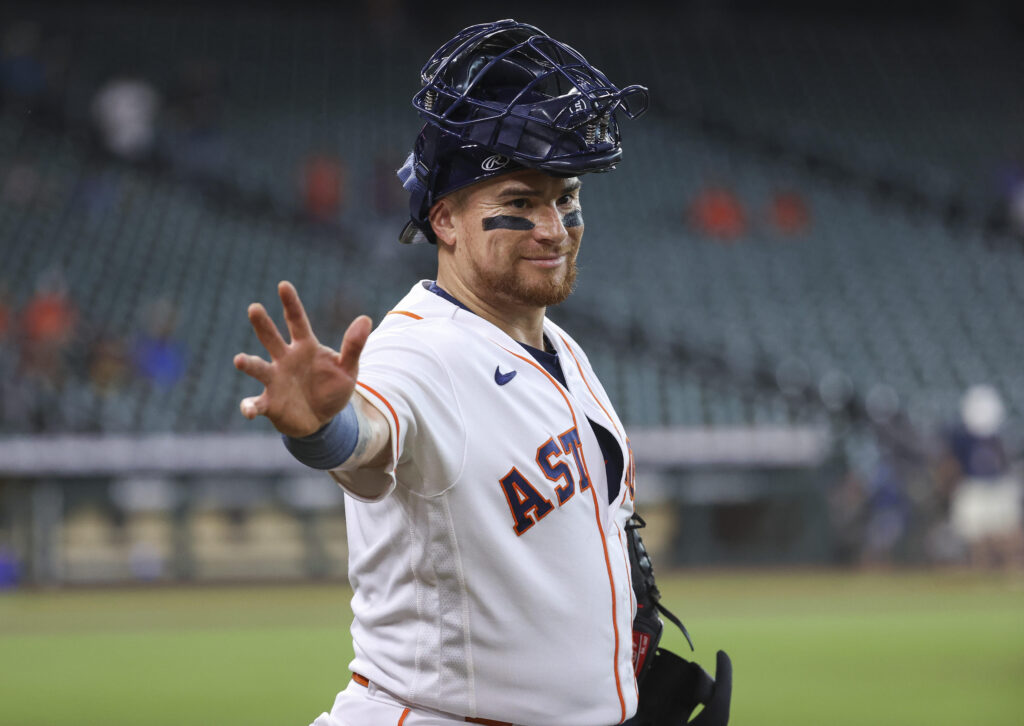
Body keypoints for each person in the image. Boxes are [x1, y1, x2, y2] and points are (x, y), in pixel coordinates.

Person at [235, 20, 730, 726]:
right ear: (446, 221)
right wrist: (323, 429)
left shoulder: (555, 343)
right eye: (520, 204)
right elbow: (370, 440)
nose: (554, 227)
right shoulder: (418, 352)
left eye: (565, 198)